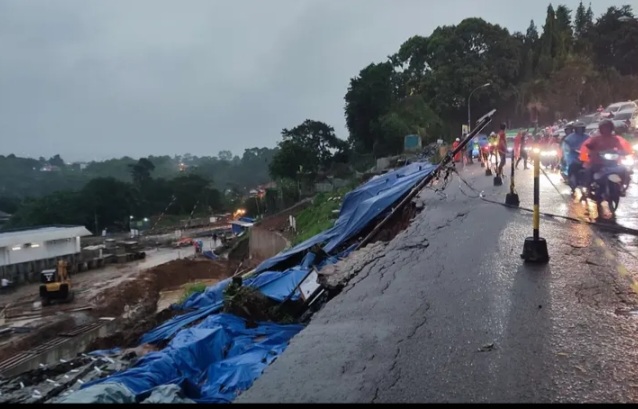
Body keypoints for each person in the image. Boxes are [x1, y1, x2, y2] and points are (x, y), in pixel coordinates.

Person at [579, 119, 633, 189]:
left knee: (625, 170)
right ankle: (588, 187)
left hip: (612, 163)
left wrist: (624, 152)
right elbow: (588, 147)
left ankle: (623, 186)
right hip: (597, 162)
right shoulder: (595, 139)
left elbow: (621, 148)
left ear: (611, 128)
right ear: (601, 129)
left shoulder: (615, 139)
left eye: (608, 127)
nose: (606, 130)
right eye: (604, 128)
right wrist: (591, 152)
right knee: (589, 170)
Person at [562, 121, 588, 193]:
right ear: (575, 129)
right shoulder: (569, 138)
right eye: (578, 128)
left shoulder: (587, 137)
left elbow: (593, 145)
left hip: (584, 155)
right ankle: (570, 179)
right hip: (573, 156)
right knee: (572, 166)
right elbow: (566, 148)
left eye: (581, 128)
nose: (580, 130)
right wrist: (571, 150)